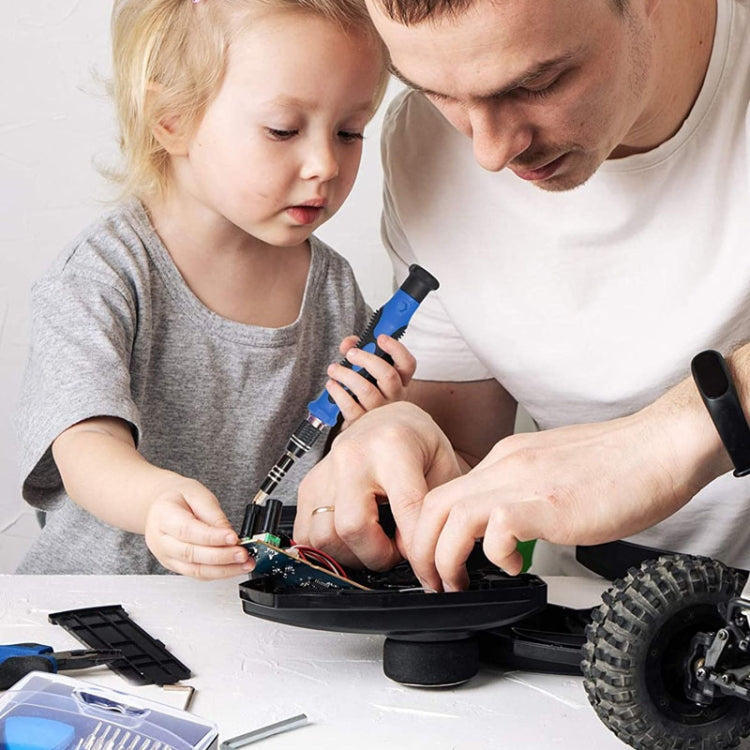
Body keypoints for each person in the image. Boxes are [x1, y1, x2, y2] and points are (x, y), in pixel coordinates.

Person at [293, 0, 750, 592]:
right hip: (595, 625)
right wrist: (402, 443)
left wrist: (668, 439)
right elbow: (463, 460)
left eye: (538, 82)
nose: (490, 151)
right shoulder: (424, 149)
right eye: (437, 92)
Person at [14, 0, 415, 577]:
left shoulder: (333, 289)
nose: (325, 163)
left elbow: (334, 474)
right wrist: (154, 502)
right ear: (171, 118)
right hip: (101, 609)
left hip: (251, 623)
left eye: (350, 132)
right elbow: (85, 443)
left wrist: (377, 420)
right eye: (283, 129)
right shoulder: (103, 274)